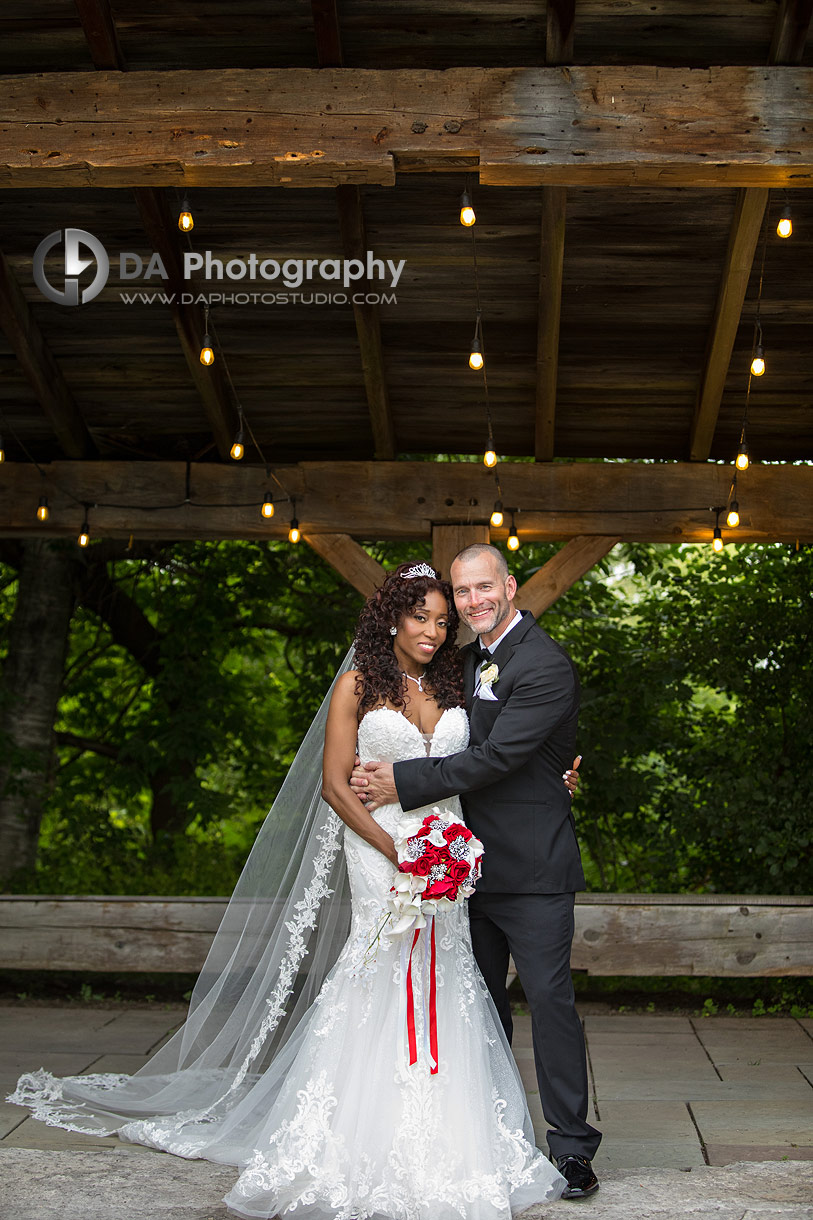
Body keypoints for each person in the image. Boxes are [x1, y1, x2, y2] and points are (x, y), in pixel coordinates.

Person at [9, 560, 570, 1219]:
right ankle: (354, 1138)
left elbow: (500, 753)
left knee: (445, 978)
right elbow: (335, 787)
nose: (432, 629)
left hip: (449, 847)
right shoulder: (358, 686)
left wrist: (554, 778)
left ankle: (451, 1138)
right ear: (391, 615)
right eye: (420, 616)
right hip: (380, 847)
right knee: (380, 971)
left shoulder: (458, 681)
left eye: (443, 621)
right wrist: (399, 852)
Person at [351, 544, 602, 1200]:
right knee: (475, 1008)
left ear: (510, 586)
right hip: (456, 867)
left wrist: (400, 780)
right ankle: (490, 1134)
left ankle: (572, 1148)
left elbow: (496, 757)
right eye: (462, 592)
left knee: (549, 1001)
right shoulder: (458, 662)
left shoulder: (545, 664)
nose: (472, 602)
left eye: (482, 588)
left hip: (532, 867)